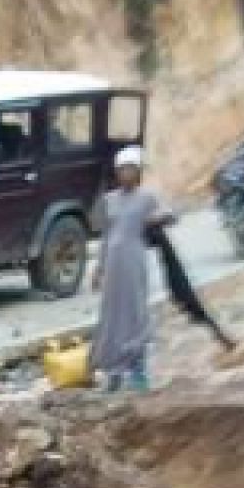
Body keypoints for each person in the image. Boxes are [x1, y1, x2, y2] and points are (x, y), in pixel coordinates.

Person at [90, 146, 173, 392]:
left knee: (135, 314)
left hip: (134, 261)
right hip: (113, 265)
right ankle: (114, 373)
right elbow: (106, 236)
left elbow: (172, 214)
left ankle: (138, 371)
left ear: (138, 173)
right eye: (121, 170)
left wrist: (158, 218)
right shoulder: (110, 200)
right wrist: (99, 268)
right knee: (111, 317)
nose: (125, 174)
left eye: (130, 170)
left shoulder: (147, 198)